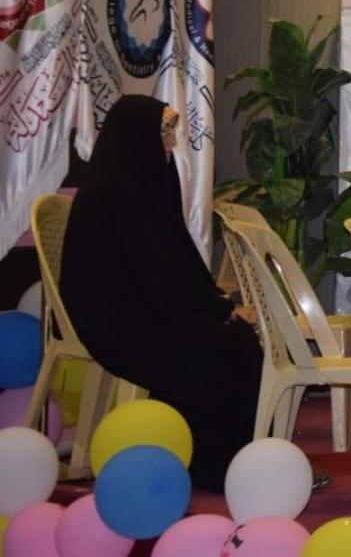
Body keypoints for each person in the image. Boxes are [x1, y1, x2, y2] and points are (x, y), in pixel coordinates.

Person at [60, 95, 262, 492]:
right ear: (137, 137)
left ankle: (238, 461)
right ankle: (215, 467)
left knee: (233, 338)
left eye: (171, 132)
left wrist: (215, 307)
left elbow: (174, 267)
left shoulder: (142, 184)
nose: (170, 143)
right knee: (222, 347)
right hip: (118, 322)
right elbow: (157, 273)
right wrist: (215, 311)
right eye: (164, 132)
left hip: (148, 306)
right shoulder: (114, 194)